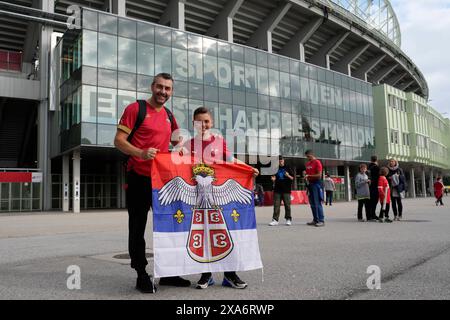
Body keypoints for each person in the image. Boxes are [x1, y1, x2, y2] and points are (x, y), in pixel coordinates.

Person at [114, 73, 191, 293]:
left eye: (168, 89)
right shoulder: (135, 109)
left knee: (169, 225)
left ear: (171, 92)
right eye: (160, 87)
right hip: (138, 177)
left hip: (163, 180)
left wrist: (181, 147)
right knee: (137, 227)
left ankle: (168, 273)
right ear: (152, 87)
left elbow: (178, 139)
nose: (163, 92)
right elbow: (118, 141)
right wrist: (140, 152)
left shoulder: (168, 114)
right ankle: (141, 273)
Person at [179, 106, 259, 290]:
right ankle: (206, 275)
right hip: (197, 199)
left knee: (224, 232)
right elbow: (175, 165)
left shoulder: (218, 141)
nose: (203, 125)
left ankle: (230, 275)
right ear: (193, 123)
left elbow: (230, 161)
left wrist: (248, 168)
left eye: (206, 121)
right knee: (203, 233)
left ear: (212, 123)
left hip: (219, 199)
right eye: (199, 121)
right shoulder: (187, 145)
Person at [269, 156, 294, 226]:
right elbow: (273, 177)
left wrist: (288, 175)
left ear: (283, 160)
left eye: (281, 161)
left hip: (286, 190)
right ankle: (275, 220)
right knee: (276, 206)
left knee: (287, 205)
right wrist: (273, 180)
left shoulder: (288, 167)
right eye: (279, 161)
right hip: (277, 190)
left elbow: (292, 178)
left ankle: (288, 219)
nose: (280, 162)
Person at [304, 150, 325, 227]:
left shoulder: (317, 162)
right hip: (310, 184)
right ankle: (315, 220)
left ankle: (321, 220)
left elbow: (319, 175)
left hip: (317, 184)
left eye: (308, 156)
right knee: (312, 203)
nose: (307, 158)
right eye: (306, 156)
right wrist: (305, 175)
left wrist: (308, 176)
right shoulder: (307, 163)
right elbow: (308, 174)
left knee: (317, 203)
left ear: (312, 154)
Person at [367, 155, 380, 221]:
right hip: (375, 186)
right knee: (374, 201)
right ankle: (373, 214)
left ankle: (369, 215)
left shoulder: (368, 167)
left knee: (370, 201)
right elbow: (378, 177)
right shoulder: (376, 167)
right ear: (376, 159)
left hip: (369, 186)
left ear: (371, 160)